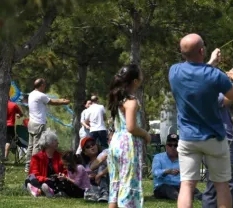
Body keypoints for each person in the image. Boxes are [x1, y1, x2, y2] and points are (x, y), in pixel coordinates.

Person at [169, 33, 233, 208]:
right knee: (222, 185)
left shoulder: (174, 71)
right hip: (214, 138)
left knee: (187, 185)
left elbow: (197, 74)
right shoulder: (215, 75)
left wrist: (211, 62)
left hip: (188, 138)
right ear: (202, 50)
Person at [107, 64, 151, 208]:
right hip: (128, 146)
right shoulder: (131, 101)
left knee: (115, 183)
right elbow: (131, 127)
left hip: (115, 143)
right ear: (135, 81)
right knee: (128, 184)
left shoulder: (118, 99)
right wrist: (145, 134)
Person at [203, 98, 233, 208]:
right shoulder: (215, 92)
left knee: (216, 184)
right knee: (227, 184)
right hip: (220, 142)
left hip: (221, 141)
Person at [27, 78, 70, 171]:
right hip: (39, 123)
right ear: (42, 85)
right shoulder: (41, 95)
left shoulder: (31, 94)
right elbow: (53, 102)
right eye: (44, 85)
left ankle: (28, 165)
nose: (45, 86)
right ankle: (34, 165)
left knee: (30, 145)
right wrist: (64, 102)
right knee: (37, 145)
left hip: (31, 123)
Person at [25, 130, 81, 197]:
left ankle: (39, 190)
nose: (58, 142)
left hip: (56, 181)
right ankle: (42, 190)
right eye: (55, 140)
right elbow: (34, 174)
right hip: (43, 180)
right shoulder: (36, 158)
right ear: (49, 143)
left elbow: (66, 170)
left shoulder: (60, 156)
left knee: (63, 183)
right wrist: (46, 179)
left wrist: (63, 176)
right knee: (30, 179)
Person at [153, 133, 202, 201]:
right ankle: (184, 198)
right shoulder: (158, 157)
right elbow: (155, 173)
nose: (173, 147)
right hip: (162, 186)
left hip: (179, 185)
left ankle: (197, 197)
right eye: (170, 145)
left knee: (193, 190)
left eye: (176, 145)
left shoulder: (184, 159)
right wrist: (166, 171)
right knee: (168, 189)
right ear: (166, 146)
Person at [80, 135, 110, 203]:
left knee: (102, 167)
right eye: (88, 146)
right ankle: (93, 195)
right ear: (85, 152)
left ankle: (105, 194)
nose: (91, 147)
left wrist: (98, 175)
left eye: (93, 144)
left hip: (108, 182)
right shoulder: (86, 166)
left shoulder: (105, 153)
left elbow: (112, 166)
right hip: (94, 187)